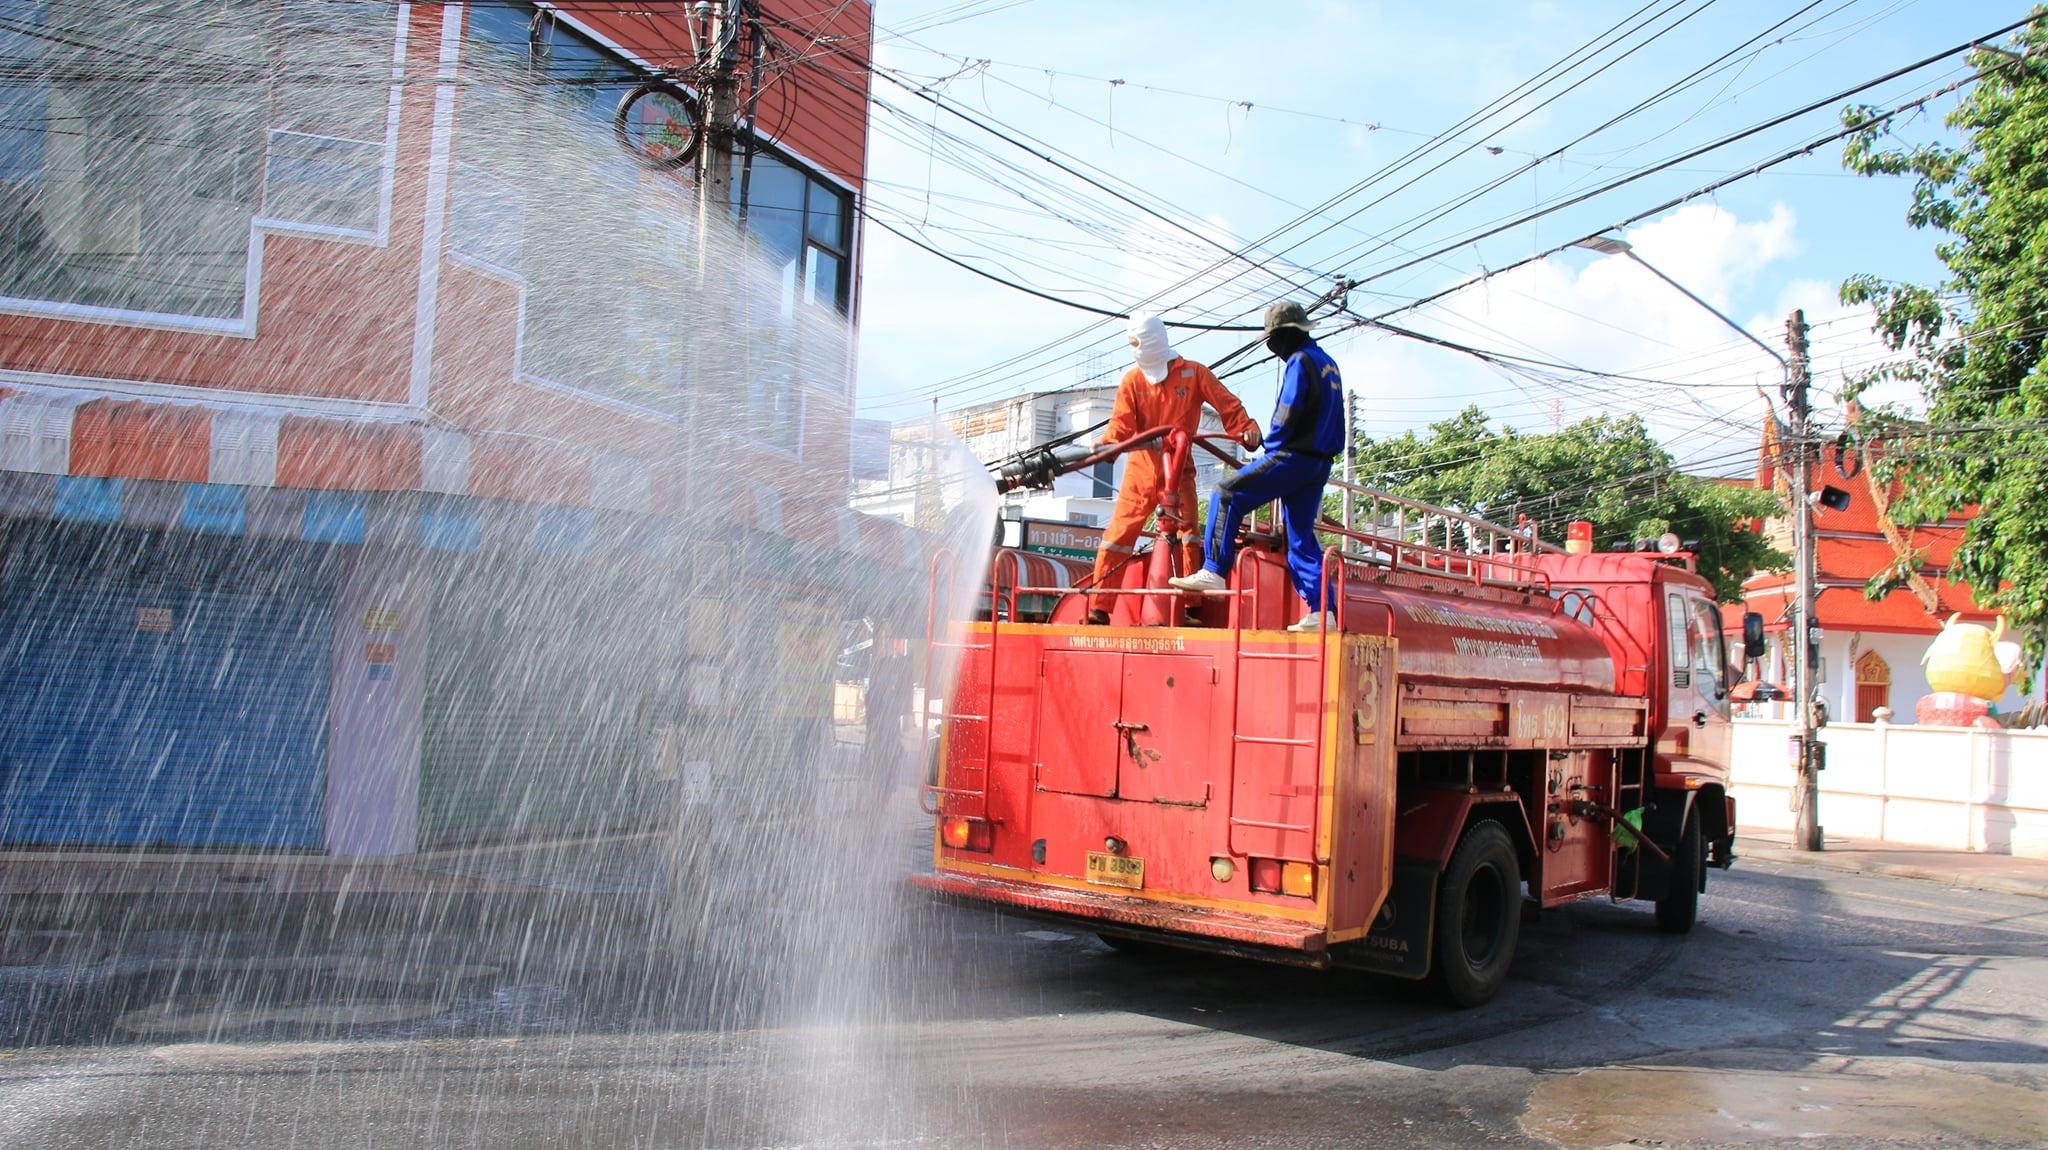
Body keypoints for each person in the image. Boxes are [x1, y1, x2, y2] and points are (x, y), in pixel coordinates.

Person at [1168, 300, 1345, 632]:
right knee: (1300, 539)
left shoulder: (1300, 361)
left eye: (1272, 339)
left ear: (1283, 335)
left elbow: (1288, 410)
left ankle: (1214, 570)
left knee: (1226, 493)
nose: (1270, 346)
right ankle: (1324, 613)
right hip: (1319, 463)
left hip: (1292, 457)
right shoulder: (1328, 364)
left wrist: (1271, 446)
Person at [1085, 312, 1261, 624]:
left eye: (1136, 342)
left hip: (1179, 469)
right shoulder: (1133, 381)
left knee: (1190, 536)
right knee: (1118, 536)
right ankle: (1100, 610)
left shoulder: (1193, 374)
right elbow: (1120, 427)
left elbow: (1227, 405)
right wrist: (1107, 447)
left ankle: (1193, 608)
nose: (1134, 349)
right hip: (1141, 471)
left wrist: (1246, 429)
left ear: (1151, 341)